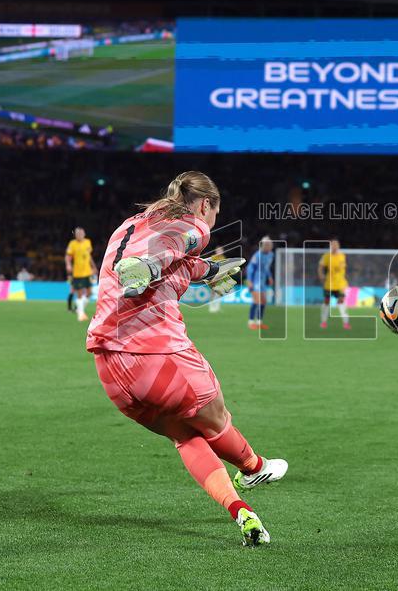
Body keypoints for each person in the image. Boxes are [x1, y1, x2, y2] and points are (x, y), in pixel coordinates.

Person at [86, 171, 287, 547]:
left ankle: (240, 511)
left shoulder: (131, 224)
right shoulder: (192, 223)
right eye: (213, 213)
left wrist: (210, 271)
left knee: (184, 436)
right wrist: (150, 267)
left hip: (109, 366)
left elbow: (177, 259)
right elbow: (178, 242)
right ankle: (253, 467)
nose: (210, 222)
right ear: (206, 204)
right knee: (216, 419)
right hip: (157, 355)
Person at [66, 227, 97, 322]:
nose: (78, 235)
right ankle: (80, 314)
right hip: (77, 273)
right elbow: (68, 256)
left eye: (80, 233)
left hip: (87, 272)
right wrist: (68, 265)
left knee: (89, 293)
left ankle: (79, 309)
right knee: (79, 294)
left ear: (84, 234)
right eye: (77, 233)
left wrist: (94, 267)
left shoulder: (88, 242)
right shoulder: (72, 244)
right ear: (75, 235)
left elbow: (89, 256)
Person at [318, 238, 350, 330]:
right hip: (329, 284)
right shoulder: (327, 256)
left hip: (340, 284)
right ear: (330, 246)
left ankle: (346, 323)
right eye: (333, 244)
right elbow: (320, 267)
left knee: (341, 302)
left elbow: (342, 270)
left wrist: (345, 282)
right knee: (326, 302)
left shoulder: (342, 256)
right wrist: (321, 276)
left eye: (336, 244)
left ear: (338, 246)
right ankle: (323, 322)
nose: (334, 246)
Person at [245, 236, 274, 330]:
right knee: (256, 301)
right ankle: (250, 322)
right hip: (255, 280)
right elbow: (250, 268)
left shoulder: (271, 255)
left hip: (262, 281)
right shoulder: (257, 255)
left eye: (270, 244)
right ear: (263, 245)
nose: (269, 246)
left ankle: (259, 322)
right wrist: (249, 281)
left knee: (263, 301)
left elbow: (266, 267)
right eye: (267, 244)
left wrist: (269, 277)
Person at [207, 246, 226, 314]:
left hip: (220, 278)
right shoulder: (213, 257)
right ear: (216, 251)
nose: (220, 252)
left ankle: (217, 307)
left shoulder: (223, 258)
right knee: (213, 292)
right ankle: (211, 307)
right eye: (218, 250)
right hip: (213, 277)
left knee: (219, 293)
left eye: (221, 250)